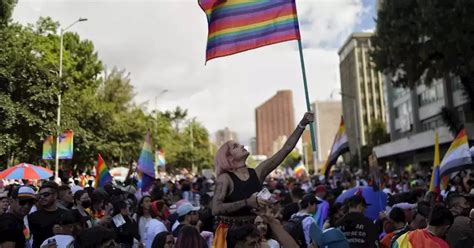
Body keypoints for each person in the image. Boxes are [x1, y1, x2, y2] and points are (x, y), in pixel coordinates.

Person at [212, 112, 314, 247]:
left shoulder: (257, 173)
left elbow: (285, 149)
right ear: (229, 158)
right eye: (235, 146)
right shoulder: (225, 179)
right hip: (232, 238)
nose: (242, 145)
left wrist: (302, 124)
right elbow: (216, 208)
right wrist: (247, 202)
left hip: (254, 235)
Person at [29, 181, 70, 248]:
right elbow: (34, 241)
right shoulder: (33, 216)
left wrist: (64, 231)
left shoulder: (66, 214)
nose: (42, 197)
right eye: (39, 195)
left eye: (46, 194)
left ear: (55, 195)